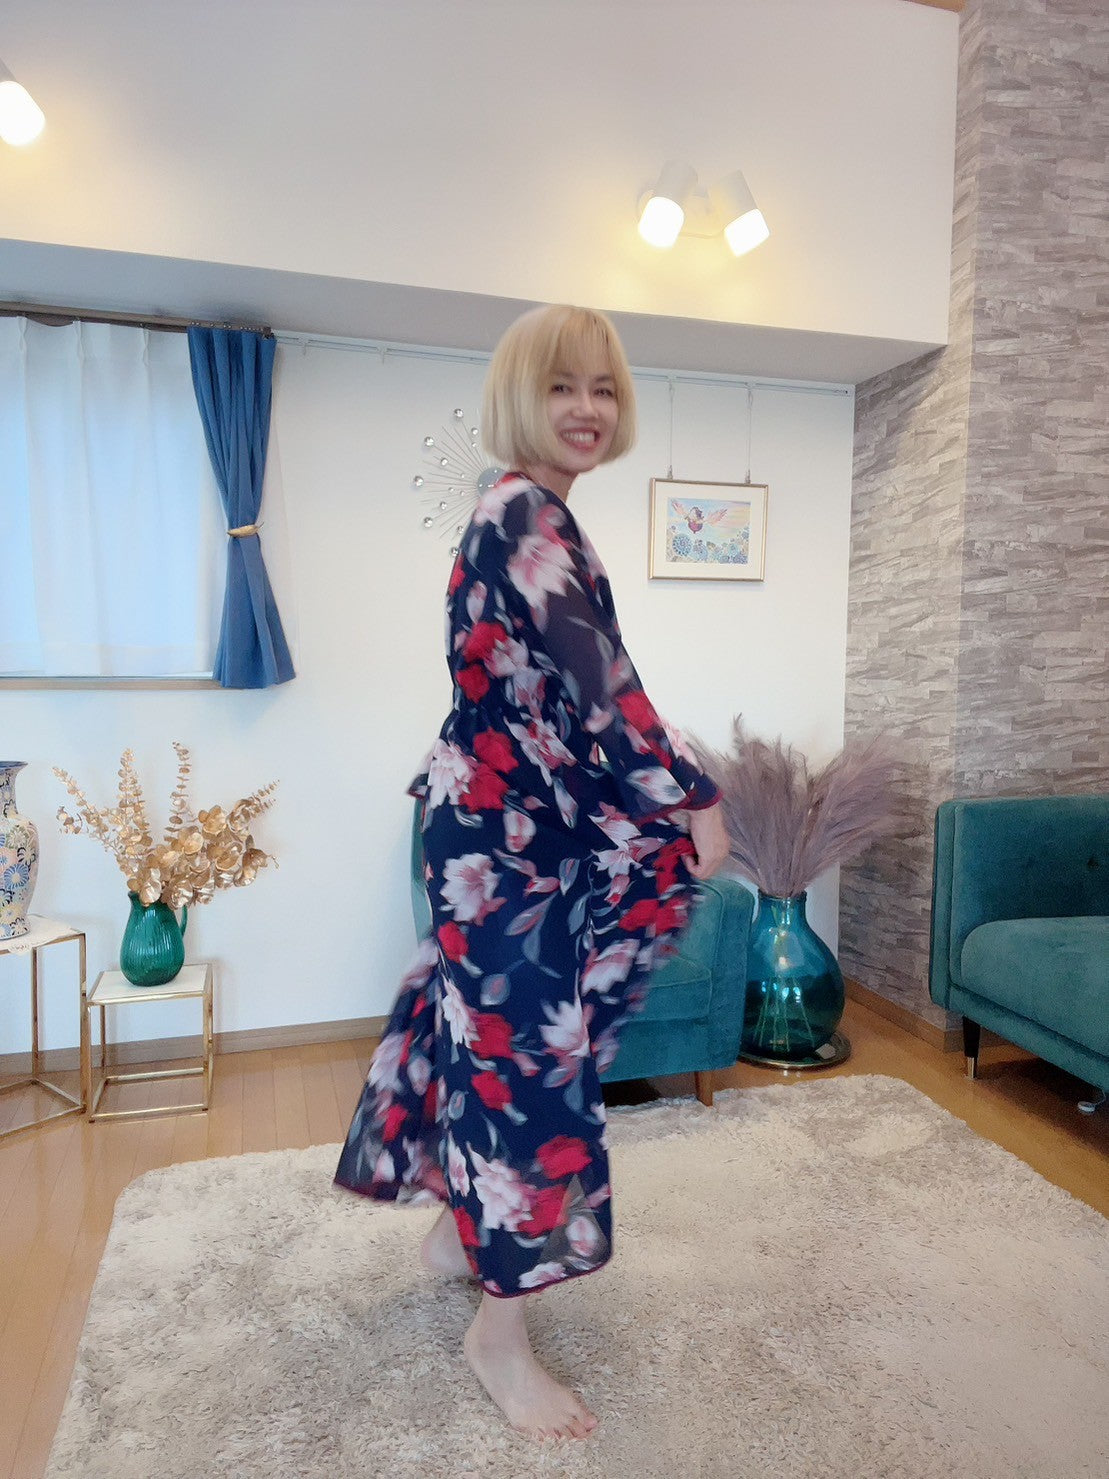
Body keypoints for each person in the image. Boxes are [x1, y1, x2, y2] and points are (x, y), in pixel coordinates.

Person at [335, 304, 729, 1441]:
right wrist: (694, 795)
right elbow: (603, 687)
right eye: (561, 386)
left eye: (602, 388)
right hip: (504, 844)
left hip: (504, 831)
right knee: (528, 1072)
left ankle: (456, 1231)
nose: (586, 409)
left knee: (488, 1038)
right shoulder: (523, 513)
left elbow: (568, 691)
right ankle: (497, 1335)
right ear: (520, 397)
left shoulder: (523, 510)